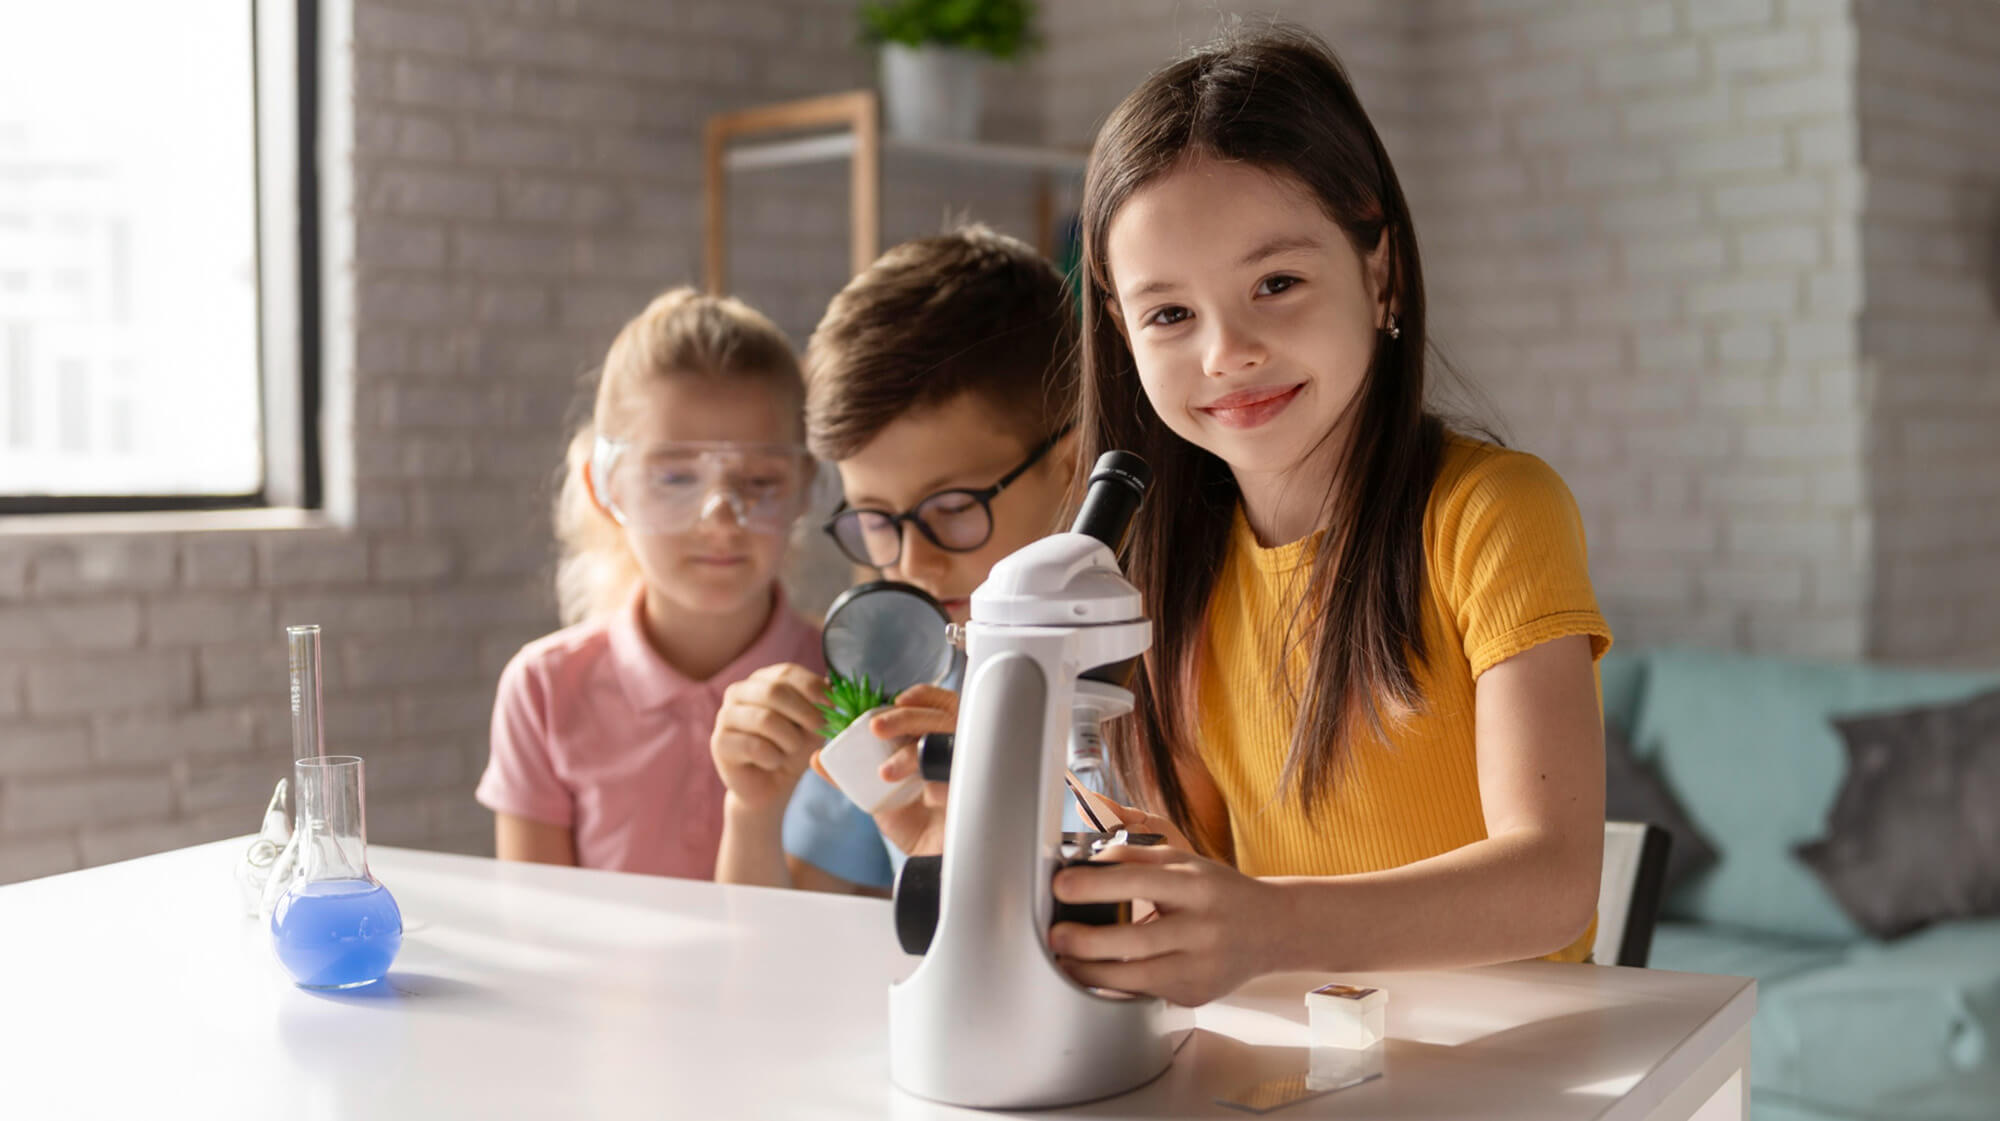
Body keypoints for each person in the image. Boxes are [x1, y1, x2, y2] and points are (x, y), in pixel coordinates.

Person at [1048, 25, 1613, 1007]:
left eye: (1275, 284)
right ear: (1119, 329)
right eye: (1169, 314)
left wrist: (1265, 925)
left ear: (1378, 271)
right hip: (1302, 1060)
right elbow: (1192, 883)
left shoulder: (1490, 512)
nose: (1226, 351)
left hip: (1514, 1065)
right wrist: (961, 816)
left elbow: (1552, 882)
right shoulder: (1171, 569)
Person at [709, 226, 1079, 893]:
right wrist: (753, 808)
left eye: (955, 507)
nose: (914, 565)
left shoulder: (1148, 665)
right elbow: (794, 931)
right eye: (877, 520)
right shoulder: (893, 663)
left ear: (1073, 467)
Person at [476, 288, 821, 878]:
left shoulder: (846, 684)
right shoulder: (545, 692)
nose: (719, 517)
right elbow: (536, 931)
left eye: (760, 480)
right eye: (675, 477)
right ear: (606, 487)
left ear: (803, 487)